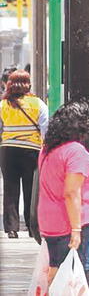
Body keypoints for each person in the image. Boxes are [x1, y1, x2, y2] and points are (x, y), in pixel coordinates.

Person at [37, 101, 89, 284]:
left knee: (56, 272)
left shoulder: (48, 150)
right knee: (75, 277)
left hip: (50, 220)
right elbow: (71, 192)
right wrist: (76, 229)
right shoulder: (74, 152)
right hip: (74, 221)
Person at [0, 70, 48, 238]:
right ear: (28, 84)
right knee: (30, 189)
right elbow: (45, 128)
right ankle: (31, 225)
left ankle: (12, 228)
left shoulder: (3, 105)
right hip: (31, 151)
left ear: (9, 85)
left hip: (8, 151)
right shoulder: (37, 104)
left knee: (10, 189)